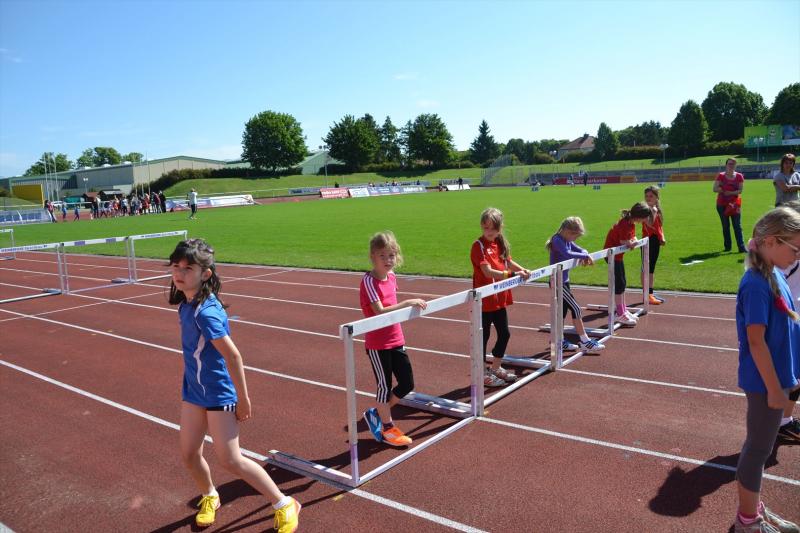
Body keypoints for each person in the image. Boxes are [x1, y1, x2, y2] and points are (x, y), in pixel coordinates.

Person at [167, 238, 300, 531]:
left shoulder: (205, 313)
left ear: (205, 274)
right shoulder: (186, 305)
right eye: (176, 266)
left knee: (231, 460)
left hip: (218, 394)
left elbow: (234, 356)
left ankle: (284, 503)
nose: (179, 273)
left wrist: (243, 398)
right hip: (194, 392)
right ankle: (210, 495)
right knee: (189, 454)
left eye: (187, 268)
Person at [733, 207, 800, 533]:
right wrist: (775, 389)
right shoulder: (756, 284)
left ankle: (754, 508)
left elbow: (784, 325)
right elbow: (756, 341)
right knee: (758, 449)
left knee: (761, 446)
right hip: (764, 383)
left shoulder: (774, 275)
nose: (797, 256)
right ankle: (747, 521)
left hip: (777, 377)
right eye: (795, 249)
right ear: (771, 241)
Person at [359, 231, 427, 447]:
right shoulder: (368, 281)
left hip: (396, 338)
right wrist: (407, 303)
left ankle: (378, 413)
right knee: (384, 386)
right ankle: (387, 427)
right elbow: (380, 311)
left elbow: (391, 304)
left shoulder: (392, 277)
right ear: (373, 256)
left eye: (391, 255)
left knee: (407, 383)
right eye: (382, 256)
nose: (388, 260)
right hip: (378, 344)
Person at [471, 207, 531, 387]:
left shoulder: (499, 243)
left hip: (499, 299)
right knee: (483, 337)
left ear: (500, 228)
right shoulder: (478, 246)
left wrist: (522, 270)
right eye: (485, 228)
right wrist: (511, 275)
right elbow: (487, 271)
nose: (489, 232)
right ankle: (482, 373)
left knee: (504, 334)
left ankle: (495, 368)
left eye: (493, 228)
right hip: (484, 300)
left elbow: (508, 262)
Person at [546, 217, 605, 354]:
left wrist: (585, 254)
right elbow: (567, 254)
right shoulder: (557, 240)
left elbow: (580, 249)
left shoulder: (567, 240)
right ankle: (585, 341)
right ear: (567, 231)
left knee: (562, 311)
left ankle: (558, 341)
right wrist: (584, 256)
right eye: (575, 236)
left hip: (564, 281)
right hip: (557, 282)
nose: (575, 239)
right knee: (576, 308)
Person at [772, 200, 800, 444]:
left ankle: (783, 421)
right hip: (788, 322)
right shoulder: (784, 257)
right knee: (790, 376)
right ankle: (780, 422)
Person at [603, 202, 652, 326]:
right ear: (639, 216)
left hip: (618, 257)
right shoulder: (624, 224)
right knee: (619, 285)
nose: (646, 220)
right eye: (645, 217)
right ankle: (620, 314)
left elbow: (633, 238)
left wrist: (633, 242)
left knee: (623, 283)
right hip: (612, 256)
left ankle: (623, 310)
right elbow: (623, 241)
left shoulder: (631, 224)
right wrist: (631, 243)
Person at [714, 158, 746, 253]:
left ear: (735, 165)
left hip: (735, 204)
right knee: (725, 226)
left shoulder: (739, 176)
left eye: (733, 164)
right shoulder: (721, 176)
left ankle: (741, 247)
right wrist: (722, 190)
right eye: (729, 164)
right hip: (722, 204)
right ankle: (728, 247)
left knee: (737, 225)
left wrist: (730, 193)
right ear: (726, 165)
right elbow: (714, 189)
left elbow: (740, 190)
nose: (731, 165)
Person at [642, 186, 667, 305]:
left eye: (651, 196)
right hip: (647, 241)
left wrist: (662, 237)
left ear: (657, 197)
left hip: (655, 240)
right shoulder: (646, 210)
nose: (648, 198)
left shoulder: (657, 209)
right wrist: (653, 211)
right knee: (646, 269)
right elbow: (650, 224)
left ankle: (650, 293)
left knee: (651, 268)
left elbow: (659, 226)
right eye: (646, 196)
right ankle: (646, 294)